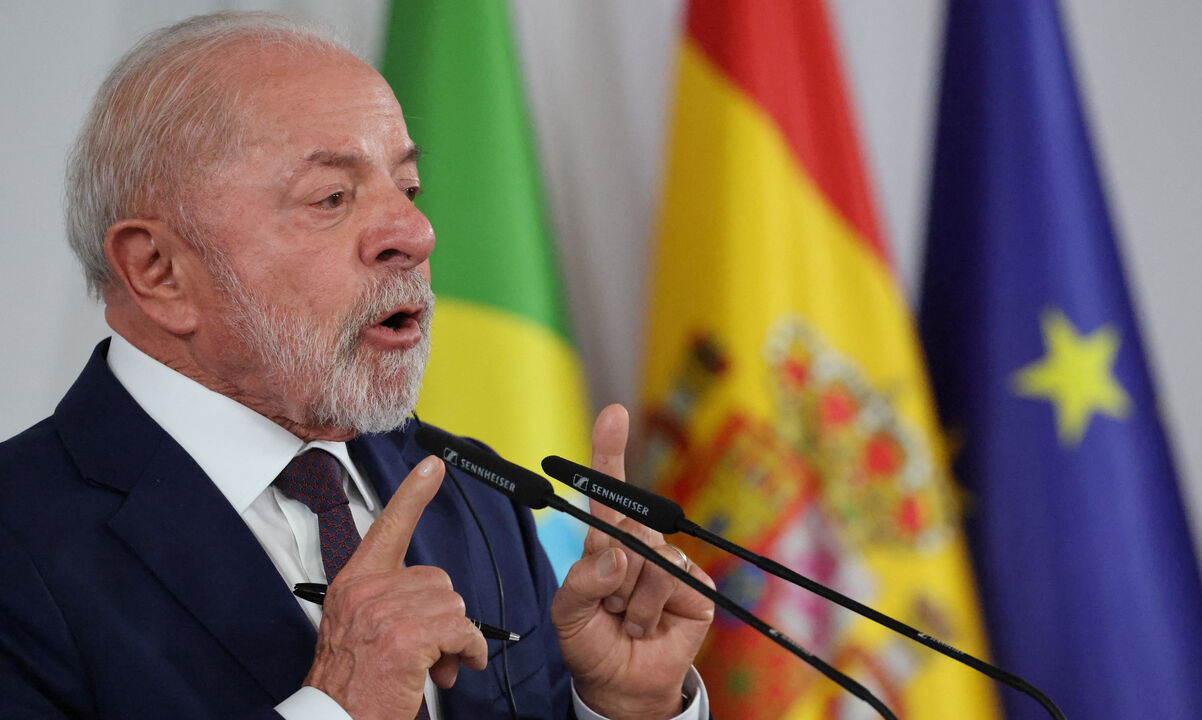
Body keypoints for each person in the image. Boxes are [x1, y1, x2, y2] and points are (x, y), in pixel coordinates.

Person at [0, 12, 715, 720]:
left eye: (407, 190)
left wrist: (625, 708)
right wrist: (337, 710)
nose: (417, 233)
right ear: (159, 271)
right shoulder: (19, 538)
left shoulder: (477, 497)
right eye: (332, 198)